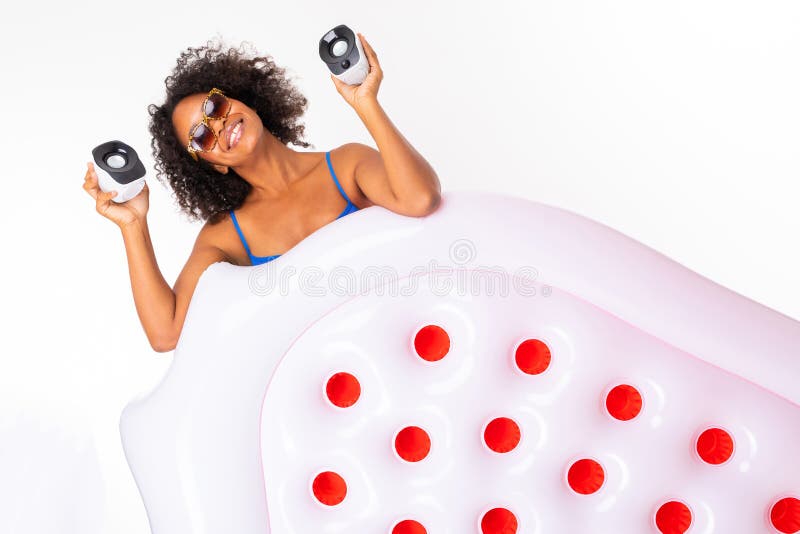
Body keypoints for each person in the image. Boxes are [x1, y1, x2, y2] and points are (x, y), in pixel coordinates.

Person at [82, 35, 441, 353]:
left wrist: (366, 103)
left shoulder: (347, 166)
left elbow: (421, 199)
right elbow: (166, 335)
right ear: (212, 163)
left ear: (242, 99)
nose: (219, 125)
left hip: (408, 346)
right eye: (201, 137)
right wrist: (133, 225)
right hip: (330, 387)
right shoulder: (226, 234)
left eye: (214, 107)